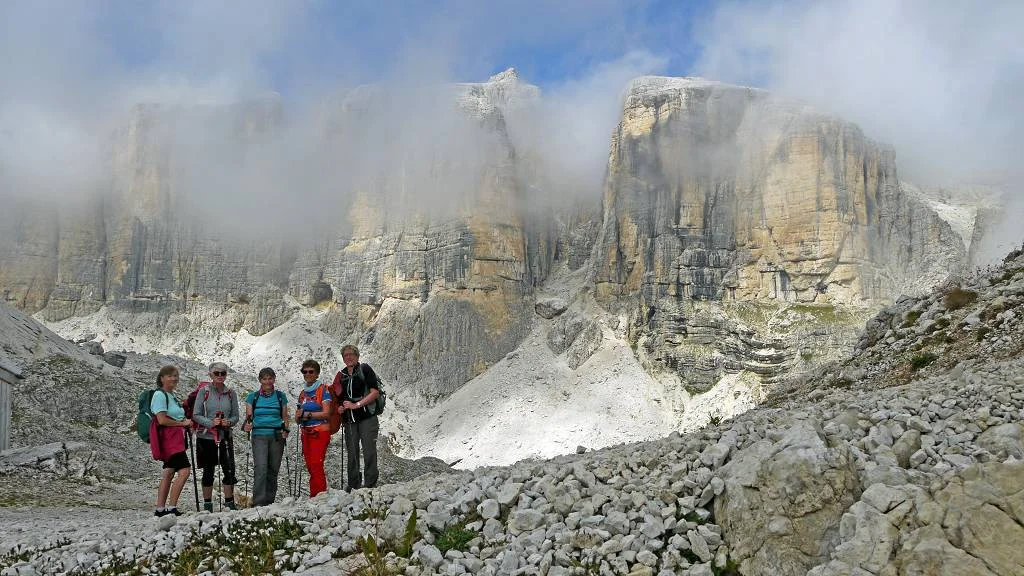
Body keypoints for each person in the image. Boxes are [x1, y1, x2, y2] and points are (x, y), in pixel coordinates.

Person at [192, 361, 240, 511]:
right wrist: (210, 423)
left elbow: (236, 416)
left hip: (225, 435)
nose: (220, 376)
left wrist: (228, 422)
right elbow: (196, 414)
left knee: (229, 469)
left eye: (223, 373)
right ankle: (208, 505)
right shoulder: (204, 392)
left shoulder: (231, 393)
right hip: (206, 437)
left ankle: (229, 503)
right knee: (208, 470)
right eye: (216, 373)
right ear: (210, 374)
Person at [333, 344, 381, 491]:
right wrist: (340, 408)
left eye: (351, 354)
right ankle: (354, 485)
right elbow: (340, 397)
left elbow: (375, 392)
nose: (348, 357)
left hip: (367, 417)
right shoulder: (341, 375)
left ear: (357, 356)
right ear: (343, 358)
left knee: (369, 450)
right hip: (349, 420)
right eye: (345, 355)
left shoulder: (365, 369)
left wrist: (357, 404)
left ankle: (370, 485)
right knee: (352, 452)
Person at [243, 367, 290, 506]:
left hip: (277, 435)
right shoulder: (252, 397)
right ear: (260, 380)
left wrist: (286, 429)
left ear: (274, 379)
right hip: (259, 435)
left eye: (270, 378)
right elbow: (249, 418)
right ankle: (259, 502)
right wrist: (247, 425)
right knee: (261, 468)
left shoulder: (281, 396)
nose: (267, 381)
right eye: (264, 379)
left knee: (273, 469)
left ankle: (270, 502)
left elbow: (285, 416)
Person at [150, 365, 193, 516]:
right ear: (162, 378)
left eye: (175, 376)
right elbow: (161, 420)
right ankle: (171, 508)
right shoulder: (160, 395)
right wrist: (182, 424)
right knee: (184, 471)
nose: (174, 378)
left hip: (175, 439)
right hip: (170, 441)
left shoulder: (170, 395)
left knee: (169, 472)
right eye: (170, 376)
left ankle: (160, 509)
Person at [295, 359, 332, 497]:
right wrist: (298, 416)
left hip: (319, 431)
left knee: (316, 463)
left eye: (311, 371)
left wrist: (308, 414)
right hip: (306, 432)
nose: (308, 374)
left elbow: (326, 413)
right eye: (305, 372)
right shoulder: (303, 393)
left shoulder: (323, 390)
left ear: (317, 374)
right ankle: (314, 495)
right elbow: (297, 418)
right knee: (310, 465)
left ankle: (320, 496)